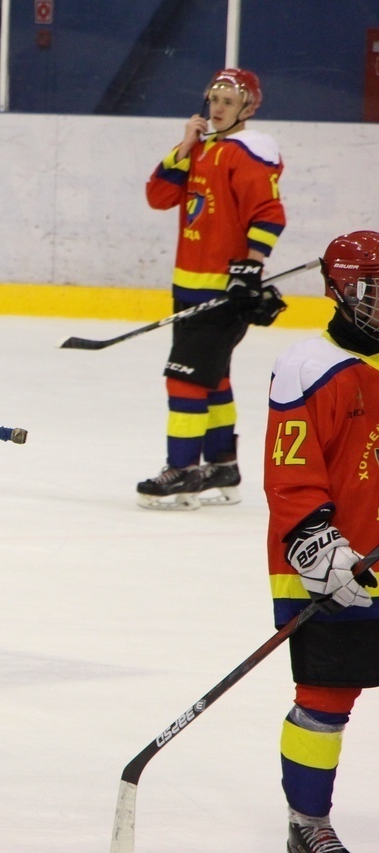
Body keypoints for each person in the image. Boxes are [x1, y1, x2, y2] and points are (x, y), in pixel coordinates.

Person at [264, 231, 379, 853]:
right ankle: (307, 823)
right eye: (372, 290)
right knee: (326, 696)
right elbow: (290, 474)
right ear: (339, 290)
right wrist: (318, 546)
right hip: (337, 564)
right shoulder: (309, 367)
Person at [139, 67, 288, 510]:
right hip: (188, 284)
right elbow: (158, 197)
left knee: (184, 379)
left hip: (222, 293)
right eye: (215, 99)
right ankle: (222, 466)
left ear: (248, 107)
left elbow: (269, 214)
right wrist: (184, 147)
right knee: (212, 377)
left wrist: (250, 268)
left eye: (228, 100)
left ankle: (183, 471)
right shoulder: (201, 150)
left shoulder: (248, 153)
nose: (218, 107)